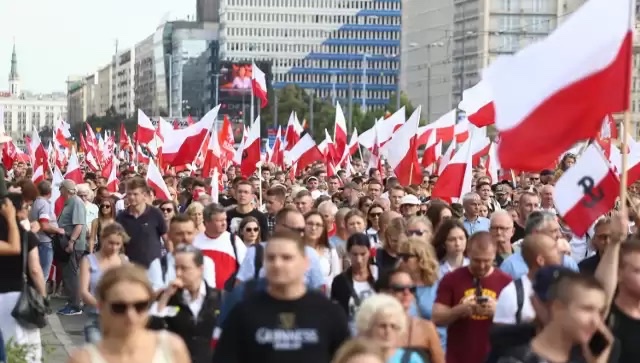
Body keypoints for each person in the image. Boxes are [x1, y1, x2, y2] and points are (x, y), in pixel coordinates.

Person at [213, 230, 350, 363]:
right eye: (271, 258)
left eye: (286, 258)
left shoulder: (329, 313)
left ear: (305, 263)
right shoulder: (243, 313)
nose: (277, 264)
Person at [66, 264, 190, 363]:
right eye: (119, 307)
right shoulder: (82, 359)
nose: (131, 315)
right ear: (102, 307)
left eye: (140, 306)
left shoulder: (172, 348)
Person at [493, 270, 615, 363]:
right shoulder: (516, 358)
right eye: (587, 309)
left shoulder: (590, 356)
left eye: (600, 312)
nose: (596, 321)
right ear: (557, 308)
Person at [432, 232, 512, 363]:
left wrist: (498, 310)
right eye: (476, 260)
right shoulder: (451, 279)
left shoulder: (506, 282)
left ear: (494, 255)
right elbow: (436, 317)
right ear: (468, 252)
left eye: (487, 261)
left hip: (495, 357)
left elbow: (518, 322)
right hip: (459, 357)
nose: (481, 266)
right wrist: (460, 310)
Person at [151, 244, 222, 363]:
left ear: (200, 269)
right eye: (176, 268)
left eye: (184, 268)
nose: (178, 273)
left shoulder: (219, 297)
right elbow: (152, 329)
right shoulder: (167, 297)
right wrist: (165, 297)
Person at [0, 193, 46, 363]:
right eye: (25, 207)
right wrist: (43, 296)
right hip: (22, 295)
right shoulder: (26, 236)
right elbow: (35, 269)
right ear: (16, 211)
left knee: (8, 345)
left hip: (3, 295)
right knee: (28, 346)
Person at [79, 223, 129, 343]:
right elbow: (84, 292)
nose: (114, 248)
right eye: (110, 243)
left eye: (118, 244)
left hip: (118, 320)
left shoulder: (124, 261)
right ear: (102, 239)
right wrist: (102, 306)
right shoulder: (88, 260)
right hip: (96, 319)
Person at [355, 294, 424, 363]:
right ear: (368, 327)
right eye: (382, 326)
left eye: (393, 326)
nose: (388, 331)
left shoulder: (411, 359)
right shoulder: (356, 359)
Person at [58, 179, 88, 316]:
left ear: (66, 189)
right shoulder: (69, 202)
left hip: (73, 244)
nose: (59, 191)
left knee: (71, 275)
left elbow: (79, 225)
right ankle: (72, 302)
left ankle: (75, 306)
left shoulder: (76, 202)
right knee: (69, 274)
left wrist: (71, 241)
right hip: (67, 242)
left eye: (61, 188)